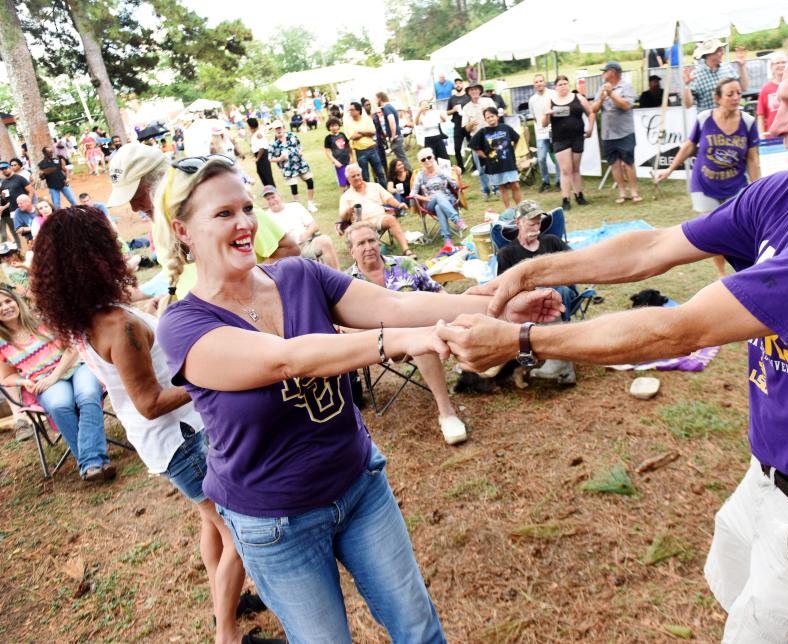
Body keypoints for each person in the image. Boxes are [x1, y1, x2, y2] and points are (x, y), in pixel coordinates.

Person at [441, 10, 788, 642]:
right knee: (734, 598)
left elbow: (675, 331)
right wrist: (533, 270)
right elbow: (654, 247)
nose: (775, 121)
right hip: (772, 475)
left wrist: (520, 341)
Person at [151, 154, 560, 642]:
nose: (243, 223)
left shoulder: (300, 275)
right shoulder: (183, 325)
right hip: (275, 523)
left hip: (359, 485)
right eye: (223, 214)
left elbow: (396, 304)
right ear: (182, 230)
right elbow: (287, 360)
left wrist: (499, 307)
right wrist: (395, 342)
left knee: (418, 628)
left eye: (245, 207)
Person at [29, 206, 277, 644]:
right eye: (111, 241)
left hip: (169, 443)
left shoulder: (96, 316)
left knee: (212, 523)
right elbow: (148, 402)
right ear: (95, 255)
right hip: (181, 441)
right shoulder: (119, 325)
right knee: (238, 532)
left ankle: (229, 603)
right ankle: (228, 633)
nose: (121, 248)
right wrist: (208, 378)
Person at [106, 143, 298, 300]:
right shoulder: (159, 225)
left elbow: (288, 250)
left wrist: (247, 295)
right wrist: (170, 299)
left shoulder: (224, 208)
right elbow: (181, 276)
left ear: (164, 182)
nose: (134, 207)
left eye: (137, 195)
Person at [345, 222, 467, 444]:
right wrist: (385, 339)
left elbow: (438, 292)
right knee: (420, 338)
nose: (368, 246)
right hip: (379, 343)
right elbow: (345, 326)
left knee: (421, 336)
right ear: (351, 251)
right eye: (361, 243)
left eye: (372, 240)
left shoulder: (406, 265)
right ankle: (447, 411)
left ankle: (450, 407)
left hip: (420, 333)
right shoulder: (346, 284)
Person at [0, 286, 114, 481]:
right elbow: (6, 377)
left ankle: (89, 463)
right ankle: (94, 463)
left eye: (8, 301)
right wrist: (24, 381)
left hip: (75, 366)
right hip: (44, 381)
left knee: (87, 395)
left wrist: (55, 376)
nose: (5, 307)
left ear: (16, 301)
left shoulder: (42, 320)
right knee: (58, 405)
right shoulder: (2, 342)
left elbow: (72, 347)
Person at [656, 78, 759, 276]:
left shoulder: (748, 122)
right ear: (718, 98)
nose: (736, 97)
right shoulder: (704, 119)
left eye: (738, 93)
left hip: (735, 186)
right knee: (712, 232)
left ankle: (747, 271)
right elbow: (689, 146)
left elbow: (753, 159)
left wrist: (756, 188)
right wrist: (669, 169)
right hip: (704, 185)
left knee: (741, 231)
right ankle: (722, 274)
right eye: (730, 94)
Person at [495, 200, 578, 384]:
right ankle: (564, 366)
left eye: (538, 222)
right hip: (529, 304)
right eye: (531, 222)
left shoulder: (551, 242)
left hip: (561, 295)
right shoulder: (506, 254)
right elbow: (505, 289)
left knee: (558, 290)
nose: (536, 226)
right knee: (542, 296)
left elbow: (575, 262)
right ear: (518, 223)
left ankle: (558, 360)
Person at [338, 164, 417, 258]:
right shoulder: (346, 196)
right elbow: (343, 217)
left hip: (379, 218)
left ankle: (406, 250)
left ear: (361, 175)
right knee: (363, 232)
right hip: (361, 224)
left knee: (391, 219)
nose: (357, 178)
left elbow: (388, 199)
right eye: (353, 176)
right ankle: (375, 253)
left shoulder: (374, 186)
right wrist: (349, 210)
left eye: (358, 175)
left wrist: (399, 204)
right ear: (348, 179)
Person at [591, 61, 641, 204]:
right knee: (614, 164)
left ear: (612, 72)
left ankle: (634, 192)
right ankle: (622, 193)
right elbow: (593, 109)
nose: (602, 74)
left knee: (628, 162)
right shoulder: (601, 88)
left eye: (604, 71)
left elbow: (626, 105)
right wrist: (601, 99)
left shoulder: (626, 87)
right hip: (608, 134)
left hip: (625, 132)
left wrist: (611, 94)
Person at [543, 75, 595, 210]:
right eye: (560, 84)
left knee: (576, 169)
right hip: (560, 139)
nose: (563, 86)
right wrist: (547, 114)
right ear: (555, 87)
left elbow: (591, 112)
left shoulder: (578, 97)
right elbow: (544, 123)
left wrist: (590, 128)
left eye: (565, 83)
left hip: (577, 137)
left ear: (569, 84)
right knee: (566, 170)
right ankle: (565, 198)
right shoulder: (551, 100)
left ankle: (579, 195)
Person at [262, 185, 339, 270]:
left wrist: (306, 234)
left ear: (279, 196)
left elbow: (314, 226)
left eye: (273, 197)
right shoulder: (266, 218)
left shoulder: (295, 206)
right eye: (268, 199)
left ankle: (338, 277)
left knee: (325, 240)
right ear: (265, 202)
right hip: (286, 253)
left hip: (305, 244)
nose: (272, 201)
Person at [411, 148, 466, 248]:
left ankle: (447, 239)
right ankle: (456, 220)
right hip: (430, 202)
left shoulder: (442, 172)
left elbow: (457, 187)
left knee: (439, 207)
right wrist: (424, 198)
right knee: (437, 196)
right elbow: (413, 194)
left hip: (448, 199)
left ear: (433, 158)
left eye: (429, 157)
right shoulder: (420, 176)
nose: (427, 161)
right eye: (423, 160)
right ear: (420, 163)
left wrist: (458, 175)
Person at [470, 108, 522, 209]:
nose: (490, 119)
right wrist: (484, 156)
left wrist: (512, 150)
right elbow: (473, 145)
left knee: (515, 185)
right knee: (502, 188)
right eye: (487, 117)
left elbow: (516, 138)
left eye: (492, 116)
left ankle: (520, 208)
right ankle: (508, 210)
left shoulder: (505, 127)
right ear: (485, 120)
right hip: (495, 165)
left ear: (497, 117)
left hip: (509, 163)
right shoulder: (483, 132)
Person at [684, 39, 749, 113]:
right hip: (709, 122)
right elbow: (688, 105)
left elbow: (744, 87)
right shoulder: (696, 75)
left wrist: (742, 66)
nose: (722, 53)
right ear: (708, 54)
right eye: (719, 50)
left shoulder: (727, 67)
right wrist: (686, 86)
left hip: (730, 119)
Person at [269, 122, 317, 213]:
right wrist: (280, 158)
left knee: (310, 181)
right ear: (274, 131)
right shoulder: (273, 144)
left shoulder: (292, 135)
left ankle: (310, 203)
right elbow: (270, 158)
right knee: (294, 187)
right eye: (276, 129)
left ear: (283, 127)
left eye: (280, 128)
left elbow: (300, 145)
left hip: (300, 163)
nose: (279, 130)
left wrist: (300, 151)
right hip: (288, 168)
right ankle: (299, 208)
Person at [461, 82, 497, 199]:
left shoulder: (488, 101)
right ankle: (485, 191)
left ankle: (496, 189)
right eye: (471, 90)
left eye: (476, 89)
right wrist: (471, 124)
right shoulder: (466, 107)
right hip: (476, 140)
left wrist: (489, 114)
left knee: (493, 164)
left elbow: (497, 117)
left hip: (490, 136)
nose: (474, 92)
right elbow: (466, 128)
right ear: (468, 92)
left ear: (480, 90)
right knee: (481, 168)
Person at [528, 73, 560, 194]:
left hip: (554, 131)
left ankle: (559, 182)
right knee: (541, 158)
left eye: (541, 81)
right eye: (536, 82)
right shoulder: (532, 99)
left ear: (544, 82)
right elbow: (535, 117)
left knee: (557, 158)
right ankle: (545, 182)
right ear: (534, 84)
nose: (539, 84)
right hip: (540, 133)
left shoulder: (553, 94)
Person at [344, 101, 387, 187]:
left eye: (352, 110)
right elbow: (352, 137)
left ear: (358, 111)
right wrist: (366, 133)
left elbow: (373, 132)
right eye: (349, 110)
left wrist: (360, 132)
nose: (350, 112)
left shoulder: (367, 119)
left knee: (380, 173)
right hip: (360, 152)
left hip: (372, 149)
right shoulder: (348, 123)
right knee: (364, 176)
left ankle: (384, 191)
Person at [376, 92, 411, 171]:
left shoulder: (386, 108)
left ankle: (410, 174)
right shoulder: (390, 106)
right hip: (397, 136)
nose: (375, 101)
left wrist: (393, 135)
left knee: (402, 159)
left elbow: (392, 120)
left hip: (396, 137)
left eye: (376, 99)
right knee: (401, 158)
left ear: (380, 98)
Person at [1, 161, 33, 245]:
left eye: (5, 168)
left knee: (30, 227)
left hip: (24, 208)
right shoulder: (3, 183)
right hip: (13, 210)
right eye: (2, 169)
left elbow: (30, 190)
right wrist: (4, 197)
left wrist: (28, 203)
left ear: (10, 167)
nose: (4, 170)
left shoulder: (19, 178)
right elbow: (7, 199)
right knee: (19, 231)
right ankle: (21, 249)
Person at [756, 52, 787, 137]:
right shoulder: (765, 90)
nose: (781, 65)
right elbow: (760, 116)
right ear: (771, 67)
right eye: (777, 63)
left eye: (783, 62)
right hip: (772, 138)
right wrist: (762, 137)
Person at [323, 118, 352, 193]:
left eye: (335, 125)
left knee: (350, 180)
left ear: (339, 126)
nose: (334, 127)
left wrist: (351, 157)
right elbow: (328, 152)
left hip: (348, 161)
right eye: (332, 126)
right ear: (329, 128)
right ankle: (344, 198)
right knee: (342, 182)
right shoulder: (328, 138)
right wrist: (335, 161)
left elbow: (348, 146)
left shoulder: (342, 135)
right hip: (339, 163)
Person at [446, 78, 470, 169]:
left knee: (473, 146)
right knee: (457, 148)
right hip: (457, 126)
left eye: (460, 83)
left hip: (468, 125)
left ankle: (475, 166)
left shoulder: (468, 96)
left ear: (463, 85)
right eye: (456, 83)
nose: (458, 85)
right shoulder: (451, 99)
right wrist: (454, 110)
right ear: (454, 86)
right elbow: (447, 112)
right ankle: (461, 167)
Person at [247, 117, 275, 189]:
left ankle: (273, 192)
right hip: (259, 155)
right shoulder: (255, 133)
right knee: (261, 173)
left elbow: (262, 148)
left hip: (262, 156)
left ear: (251, 126)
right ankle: (268, 191)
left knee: (267, 175)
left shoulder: (258, 134)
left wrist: (257, 158)